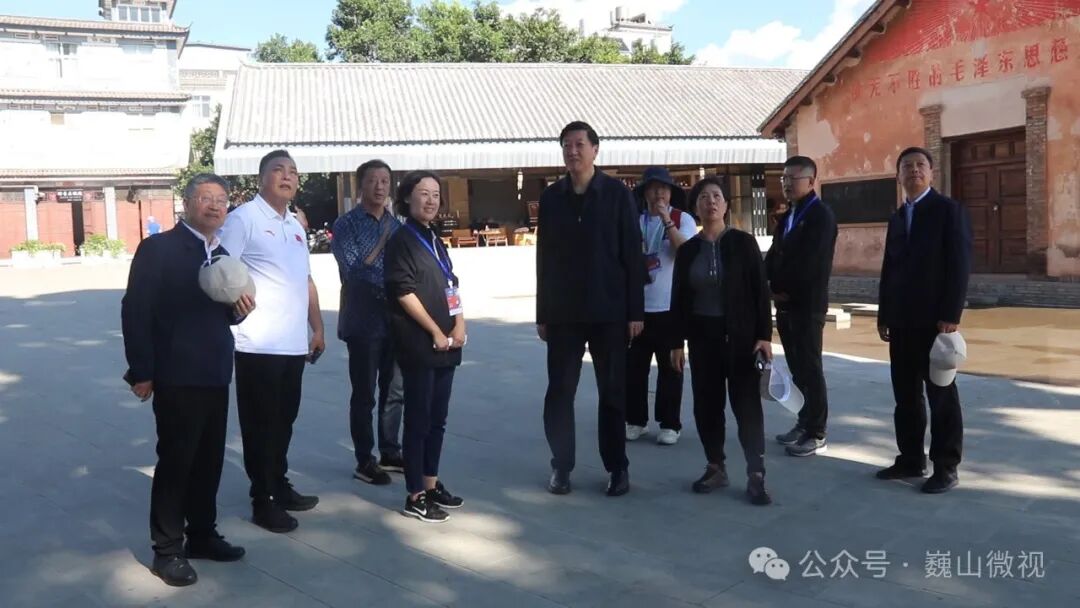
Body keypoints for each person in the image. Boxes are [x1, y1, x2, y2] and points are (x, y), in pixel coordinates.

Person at [121, 174, 253, 586]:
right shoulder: (159, 249)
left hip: (215, 370)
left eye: (222, 200)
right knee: (177, 463)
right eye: (206, 198)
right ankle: (167, 550)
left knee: (209, 461)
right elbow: (135, 311)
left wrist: (239, 310)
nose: (215, 206)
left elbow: (225, 313)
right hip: (177, 373)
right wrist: (142, 371)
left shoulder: (223, 252)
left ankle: (202, 534)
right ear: (187, 203)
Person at [536, 121, 644, 497]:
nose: (572, 151)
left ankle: (617, 467)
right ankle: (561, 466)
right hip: (564, 313)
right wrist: (543, 313)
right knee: (559, 392)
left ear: (595, 149)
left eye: (579, 144)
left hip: (609, 310)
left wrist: (635, 311)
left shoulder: (617, 194)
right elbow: (544, 258)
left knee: (612, 392)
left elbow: (632, 254)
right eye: (566, 145)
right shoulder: (552, 197)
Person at [220, 150, 326, 532]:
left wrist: (317, 327)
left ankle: (278, 484)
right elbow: (220, 269)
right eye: (278, 170)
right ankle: (262, 500)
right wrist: (234, 302)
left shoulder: (295, 225)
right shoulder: (243, 218)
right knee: (260, 426)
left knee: (284, 422)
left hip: (293, 343)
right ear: (261, 178)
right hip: (257, 343)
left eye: (293, 172)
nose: (287, 176)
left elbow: (305, 279)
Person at [669, 176, 773, 505]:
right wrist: (676, 342)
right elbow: (678, 298)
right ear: (696, 208)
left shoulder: (743, 243)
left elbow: (760, 292)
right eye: (703, 197)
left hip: (741, 340)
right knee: (707, 405)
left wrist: (764, 336)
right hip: (703, 339)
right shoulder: (688, 251)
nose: (710, 202)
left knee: (747, 407)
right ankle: (716, 466)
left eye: (716, 196)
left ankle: (756, 473)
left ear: (726, 205)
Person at [876, 147, 972, 494]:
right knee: (905, 395)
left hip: (935, 323)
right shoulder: (898, 217)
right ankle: (910, 458)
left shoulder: (947, 211)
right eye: (907, 166)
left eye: (920, 165)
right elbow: (890, 268)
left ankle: (946, 466)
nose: (914, 170)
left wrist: (950, 315)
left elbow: (959, 264)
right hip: (901, 322)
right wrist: (884, 314)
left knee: (941, 396)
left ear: (931, 173)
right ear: (898, 176)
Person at [384, 171, 466, 523]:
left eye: (435, 194)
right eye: (423, 193)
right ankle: (415, 494)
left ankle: (431, 483)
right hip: (420, 343)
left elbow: (450, 284)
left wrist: (459, 322)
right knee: (418, 420)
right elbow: (403, 291)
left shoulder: (434, 237)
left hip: (447, 343)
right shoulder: (401, 240)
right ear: (407, 198)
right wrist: (434, 330)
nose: (431, 200)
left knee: (438, 419)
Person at [332, 160, 406, 486]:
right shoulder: (346, 224)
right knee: (364, 394)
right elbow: (353, 270)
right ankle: (365, 459)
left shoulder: (398, 225)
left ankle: (390, 451)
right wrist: (381, 249)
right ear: (360, 185)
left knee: (395, 391)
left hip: (396, 321)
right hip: (362, 321)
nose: (379, 186)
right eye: (373, 180)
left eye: (385, 181)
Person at [766, 156, 838, 457]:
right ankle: (803, 420)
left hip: (806, 304)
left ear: (811, 181)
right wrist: (768, 285)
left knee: (810, 367)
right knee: (797, 368)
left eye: (793, 178)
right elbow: (775, 255)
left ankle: (817, 431)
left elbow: (813, 263)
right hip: (784, 304)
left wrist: (785, 288)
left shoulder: (821, 216)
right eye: (784, 178)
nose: (786, 183)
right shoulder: (788, 216)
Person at [625, 167, 697, 445]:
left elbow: (686, 253)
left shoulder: (682, 219)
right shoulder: (635, 220)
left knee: (671, 369)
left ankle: (670, 424)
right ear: (644, 193)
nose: (658, 194)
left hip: (670, 308)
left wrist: (667, 220)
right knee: (635, 369)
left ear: (671, 193)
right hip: (638, 309)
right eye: (653, 189)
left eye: (663, 189)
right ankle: (636, 420)